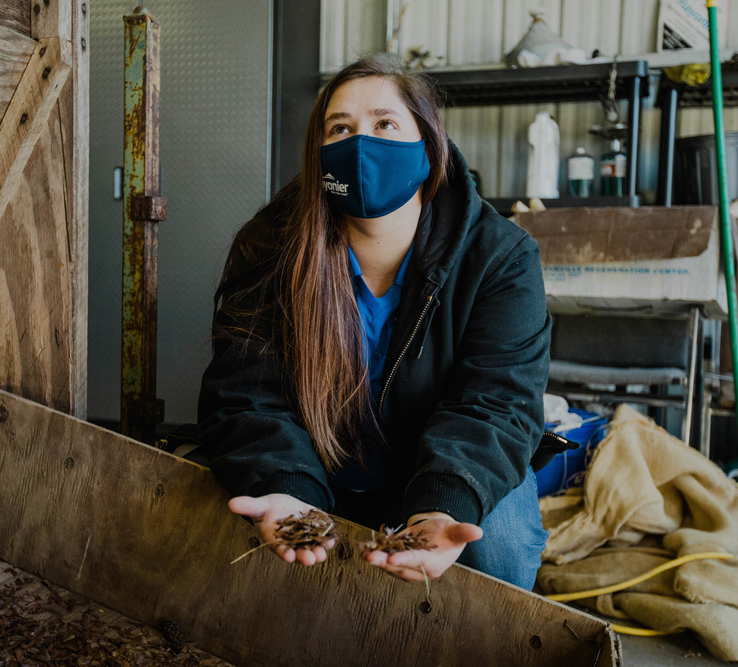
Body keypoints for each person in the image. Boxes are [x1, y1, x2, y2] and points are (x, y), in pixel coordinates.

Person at [196, 56, 551, 588]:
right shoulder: (270, 248)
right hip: (317, 469)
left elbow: (497, 401)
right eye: (340, 129)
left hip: (445, 468)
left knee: (495, 547)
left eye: (385, 123)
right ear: (320, 157)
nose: (361, 143)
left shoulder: (499, 256)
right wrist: (288, 486)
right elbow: (248, 392)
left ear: (427, 148)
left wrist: (442, 506)